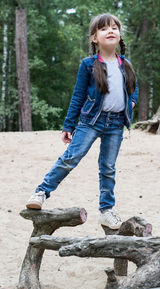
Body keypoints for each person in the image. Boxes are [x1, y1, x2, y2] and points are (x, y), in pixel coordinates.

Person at [26, 13, 139, 229]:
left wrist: (132, 103)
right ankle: (41, 192)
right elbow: (78, 95)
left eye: (114, 27)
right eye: (104, 28)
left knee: (108, 167)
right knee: (71, 157)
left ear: (119, 34)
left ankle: (106, 210)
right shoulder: (88, 64)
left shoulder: (125, 63)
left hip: (116, 124)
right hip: (90, 121)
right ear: (94, 38)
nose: (110, 31)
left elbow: (134, 88)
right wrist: (68, 125)